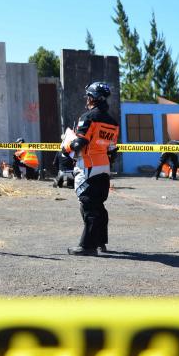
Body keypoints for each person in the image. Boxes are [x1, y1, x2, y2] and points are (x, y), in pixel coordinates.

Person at [64, 81, 119, 256]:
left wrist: (66, 147)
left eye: (88, 96)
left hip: (88, 165)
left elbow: (79, 142)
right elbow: (112, 149)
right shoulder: (112, 121)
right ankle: (100, 241)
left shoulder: (88, 117)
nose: (86, 99)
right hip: (104, 166)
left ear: (92, 97)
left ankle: (88, 246)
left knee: (88, 205)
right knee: (99, 206)